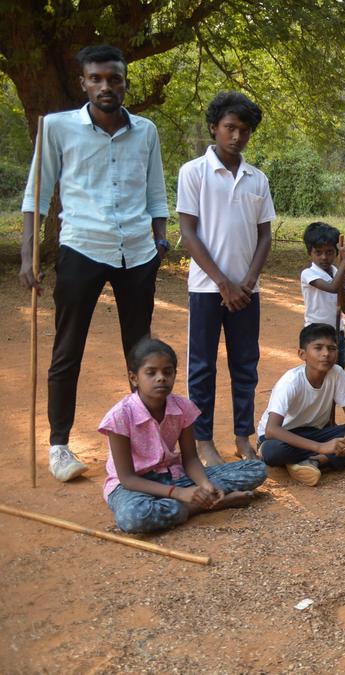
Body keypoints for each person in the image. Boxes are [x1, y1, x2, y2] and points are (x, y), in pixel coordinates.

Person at [20, 45, 170, 482]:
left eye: (115, 78)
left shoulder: (146, 131)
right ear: (84, 82)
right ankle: (59, 446)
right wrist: (28, 251)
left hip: (138, 253)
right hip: (82, 246)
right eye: (97, 79)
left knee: (142, 352)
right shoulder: (56, 127)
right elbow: (36, 193)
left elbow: (156, 193)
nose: (106, 86)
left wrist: (160, 240)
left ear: (125, 82)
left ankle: (144, 442)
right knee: (68, 349)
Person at [178, 91, 274, 467]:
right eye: (230, 127)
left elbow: (265, 235)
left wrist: (247, 281)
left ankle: (242, 436)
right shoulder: (193, 172)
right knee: (202, 366)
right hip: (206, 288)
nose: (236, 136)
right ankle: (203, 441)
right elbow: (188, 233)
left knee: (245, 364)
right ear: (214, 127)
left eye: (244, 130)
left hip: (248, 291)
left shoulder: (257, 179)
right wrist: (223, 283)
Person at [101, 337, 266, 534]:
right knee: (133, 517)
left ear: (174, 374)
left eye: (167, 372)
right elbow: (127, 478)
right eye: (151, 373)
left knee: (256, 468)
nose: (161, 378)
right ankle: (198, 506)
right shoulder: (120, 416)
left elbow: (191, 459)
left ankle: (194, 501)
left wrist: (205, 486)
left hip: (175, 477)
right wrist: (180, 493)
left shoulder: (183, 408)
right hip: (134, 487)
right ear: (134, 378)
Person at [258, 323, 345, 486]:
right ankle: (332, 458)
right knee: (273, 452)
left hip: (314, 433)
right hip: (282, 436)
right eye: (318, 348)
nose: (326, 354)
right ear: (302, 354)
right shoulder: (290, 382)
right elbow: (271, 430)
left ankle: (315, 462)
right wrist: (320, 447)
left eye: (332, 348)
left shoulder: (336, 373)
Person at [301, 222, 345, 369]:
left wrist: (342, 281)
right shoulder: (308, 274)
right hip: (316, 334)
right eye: (318, 252)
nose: (324, 257)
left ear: (336, 253)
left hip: (337, 335)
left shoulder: (337, 272)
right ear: (309, 253)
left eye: (329, 252)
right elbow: (332, 287)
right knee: (318, 375)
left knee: (337, 374)